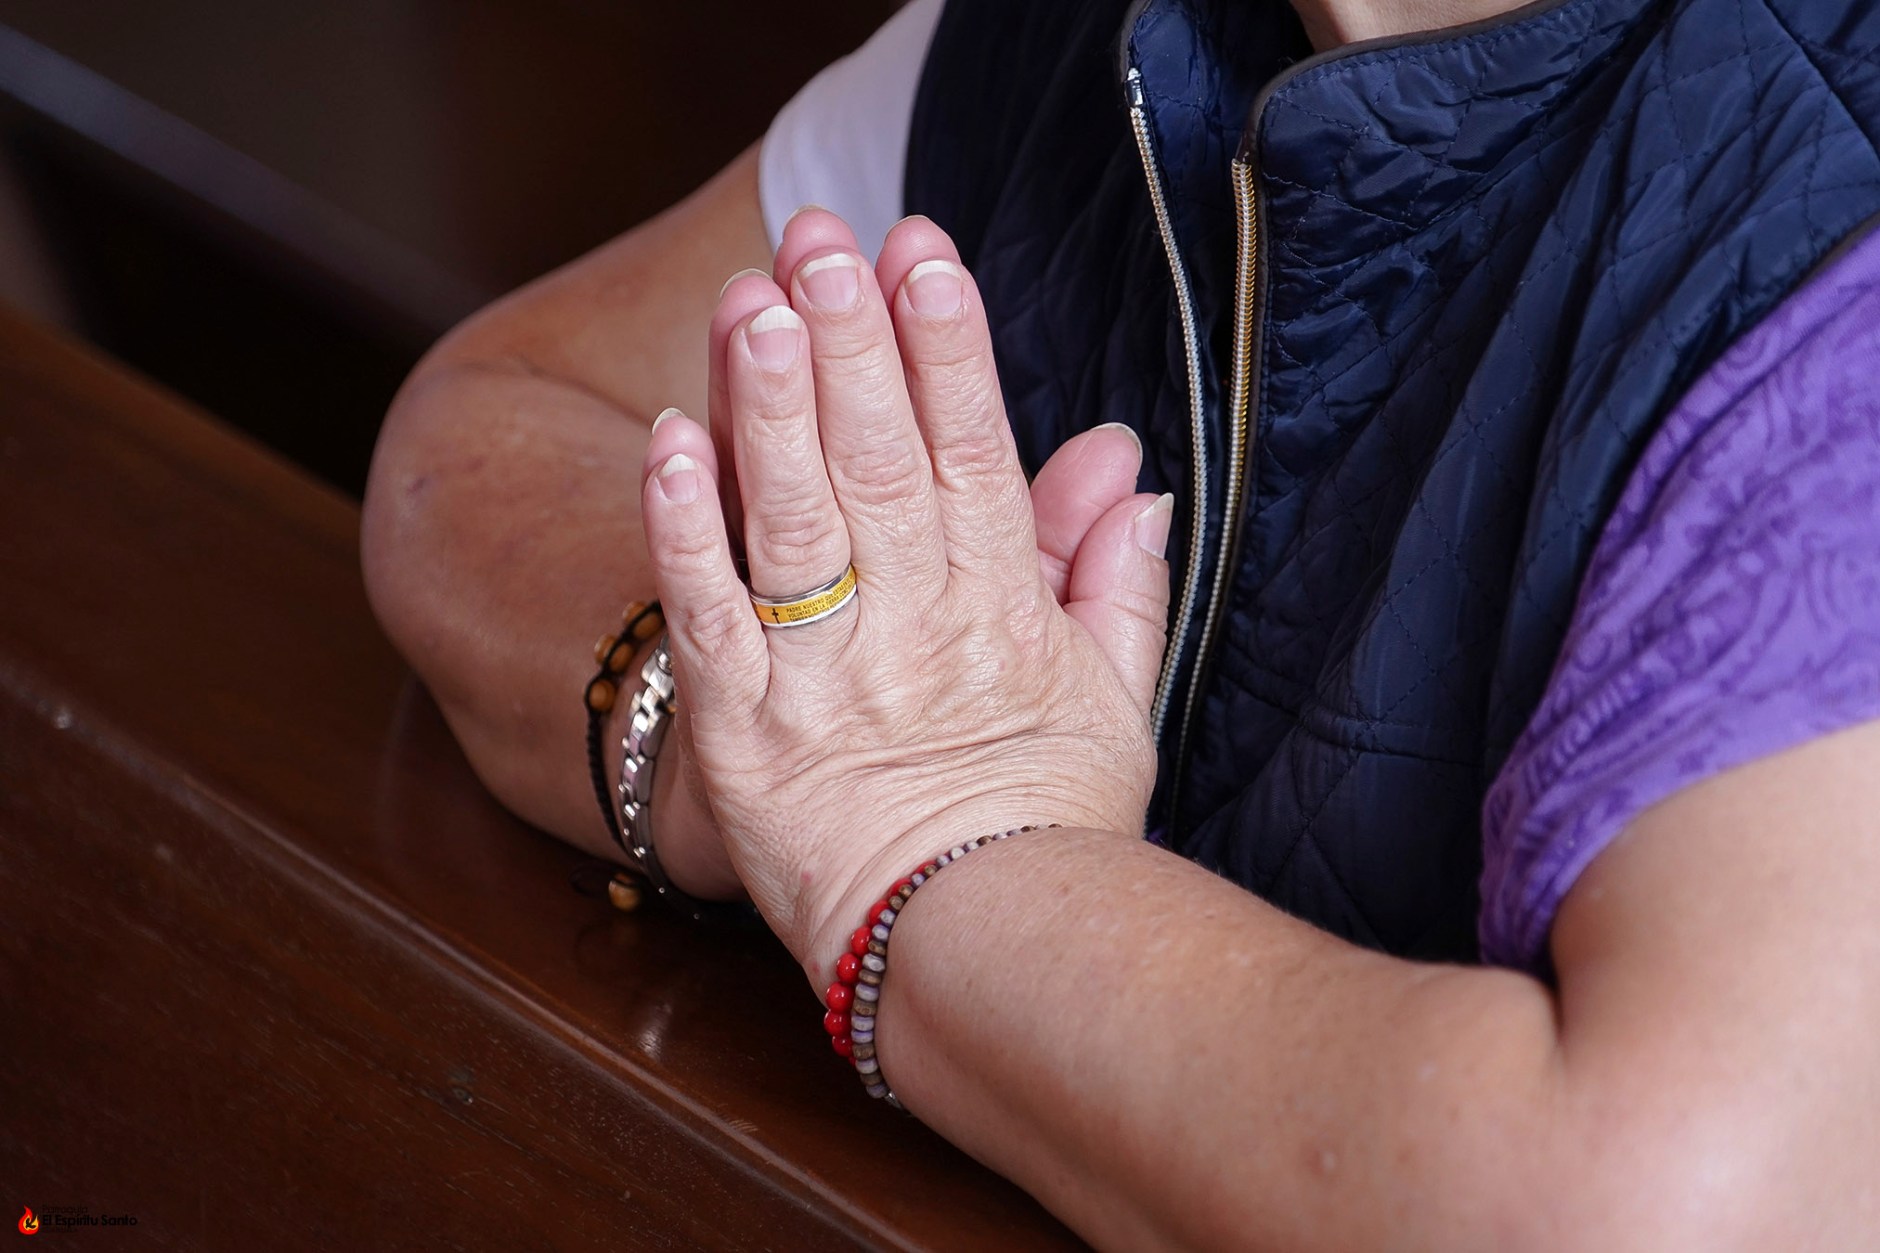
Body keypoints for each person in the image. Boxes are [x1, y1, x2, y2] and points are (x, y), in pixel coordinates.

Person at [361, 0, 1880, 1244]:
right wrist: (751, 739)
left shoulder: (1832, 200)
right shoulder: (1055, 35)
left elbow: (1666, 1205)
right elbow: (481, 437)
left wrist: (939, 861)